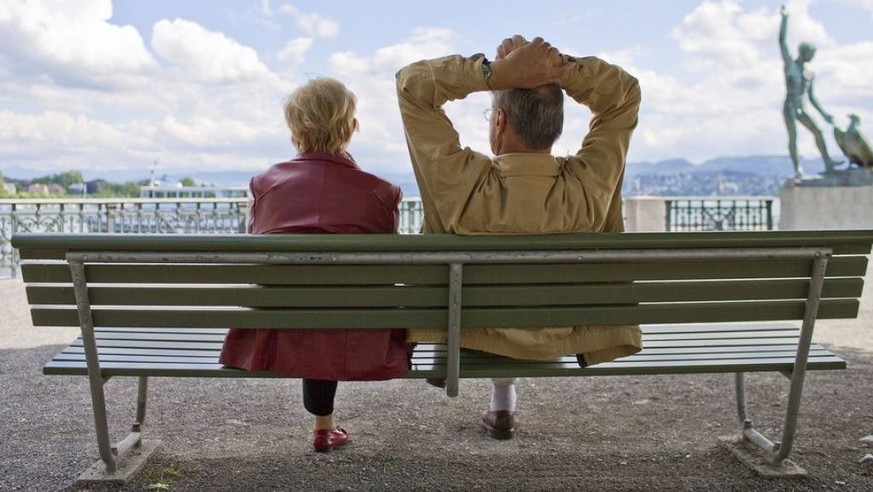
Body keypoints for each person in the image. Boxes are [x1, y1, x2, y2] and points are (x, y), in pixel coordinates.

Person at [395, 35, 642, 439]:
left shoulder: (462, 185)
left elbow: (411, 85)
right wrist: (559, 68)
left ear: (499, 123)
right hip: (557, 334)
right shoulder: (586, 188)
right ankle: (503, 401)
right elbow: (623, 94)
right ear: (555, 126)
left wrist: (495, 74)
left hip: (467, 330)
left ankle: (492, 388)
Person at [219, 77, 414, 452]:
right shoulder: (382, 192)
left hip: (280, 326)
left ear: (294, 128)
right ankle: (324, 426)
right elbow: (383, 270)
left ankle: (324, 423)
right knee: (332, 304)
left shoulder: (265, 184)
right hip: (355, 329)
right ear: (351, 127)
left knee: (308, 301)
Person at [779, 5, 843, 177]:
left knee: (818, 131)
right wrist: (785, 19)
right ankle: (798, 168)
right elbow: (782, 42)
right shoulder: (791, 66)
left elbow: (812, 97)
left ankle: (828, 162)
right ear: (804, 52)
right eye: (812, 53)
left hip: (802, 107)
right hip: (790, 106)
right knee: (794, 137)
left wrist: (824, 114)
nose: (813, 57)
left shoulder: (809, 73)